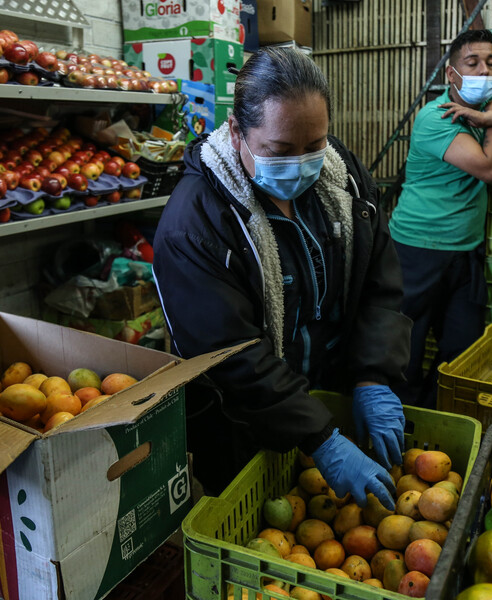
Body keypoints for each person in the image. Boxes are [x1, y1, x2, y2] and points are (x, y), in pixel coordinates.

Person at [153, 47, 412, 509]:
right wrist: (321, 438)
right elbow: (229, 354)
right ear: (237, 133)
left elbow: (377, 282)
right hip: (243, 425)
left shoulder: (344, 181)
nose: (301, 164)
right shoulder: (196, 225)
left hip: (332, 397)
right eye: (280, 150)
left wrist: (373, 376)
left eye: (315, 146)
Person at [389, 29, 492, 408]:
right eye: (472, 63)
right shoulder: (437, 117)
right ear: (452, 75)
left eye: (490, 62)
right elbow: (488, 167)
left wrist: (486, 111)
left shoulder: (487, 101)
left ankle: (435, 412)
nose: (484, 69)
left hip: (466, 250)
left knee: (461, 346)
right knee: (407, 346)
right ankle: (401, 419)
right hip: (418, 248)